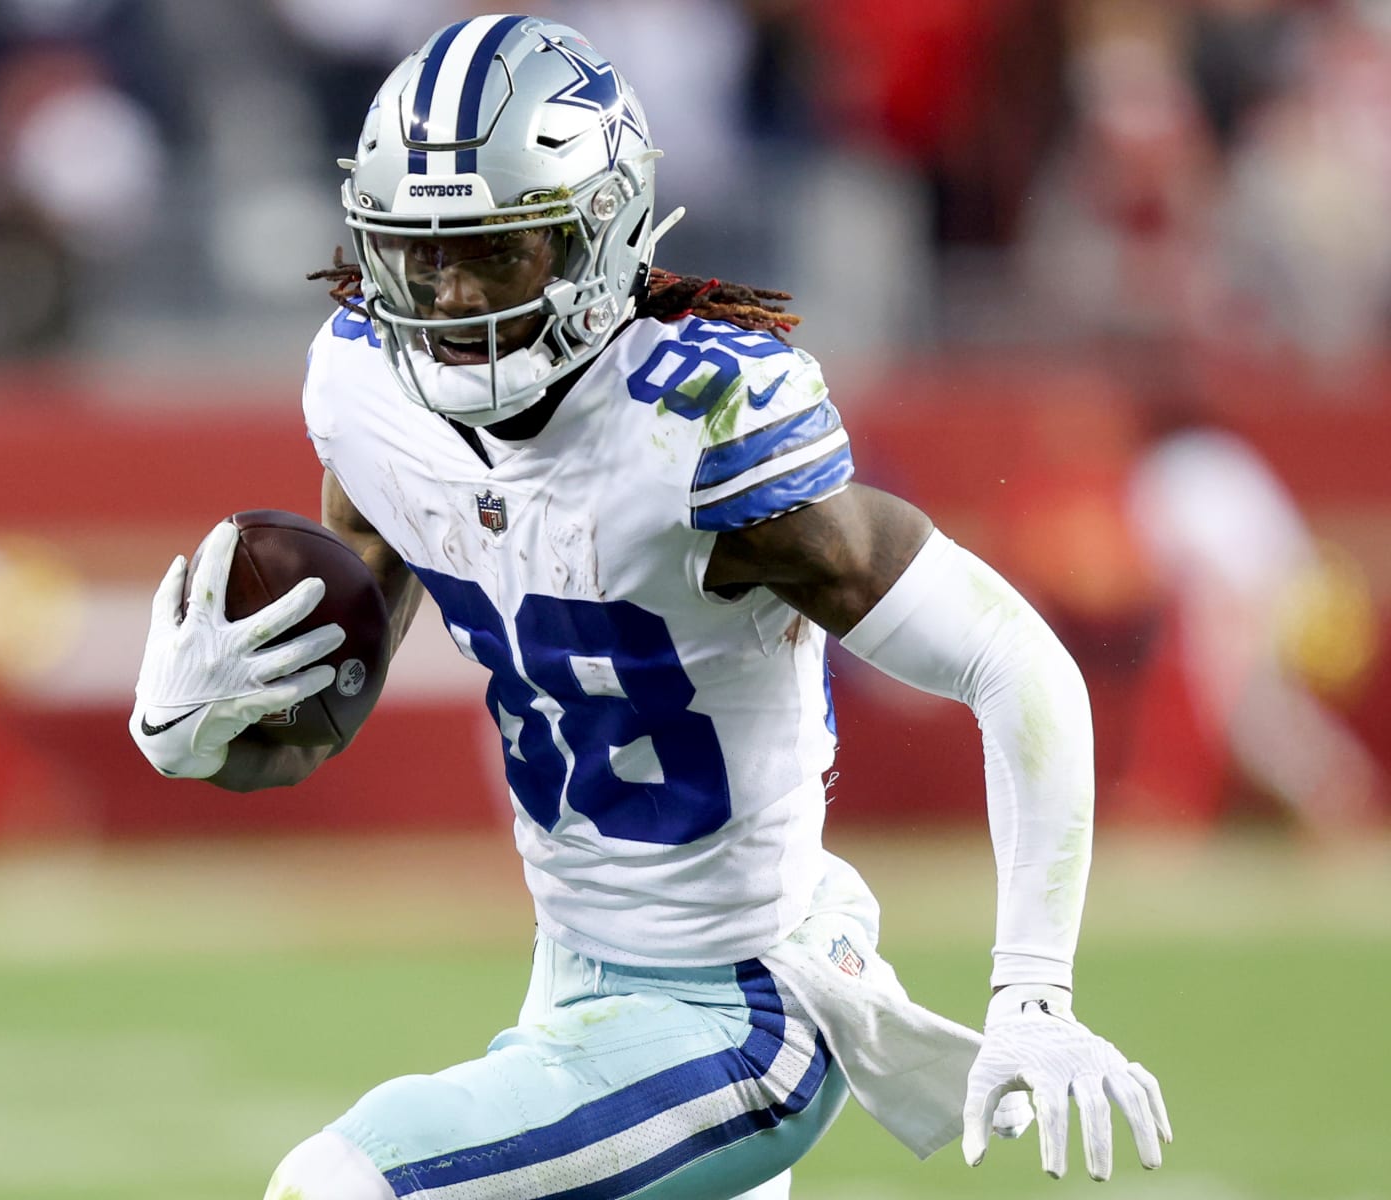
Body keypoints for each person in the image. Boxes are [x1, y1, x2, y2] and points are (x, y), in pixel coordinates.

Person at [130, 15, 1172, 1200]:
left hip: (740, 1007)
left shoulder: (695, 430)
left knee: (340, 1187)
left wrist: (1034, 991)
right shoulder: (371, 389)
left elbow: (1012, 661)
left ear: (597, 236)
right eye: (424, 256)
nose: (453, 294)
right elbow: (321, 709)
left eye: (499, 252)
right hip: (575, 974)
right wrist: (202, 732)